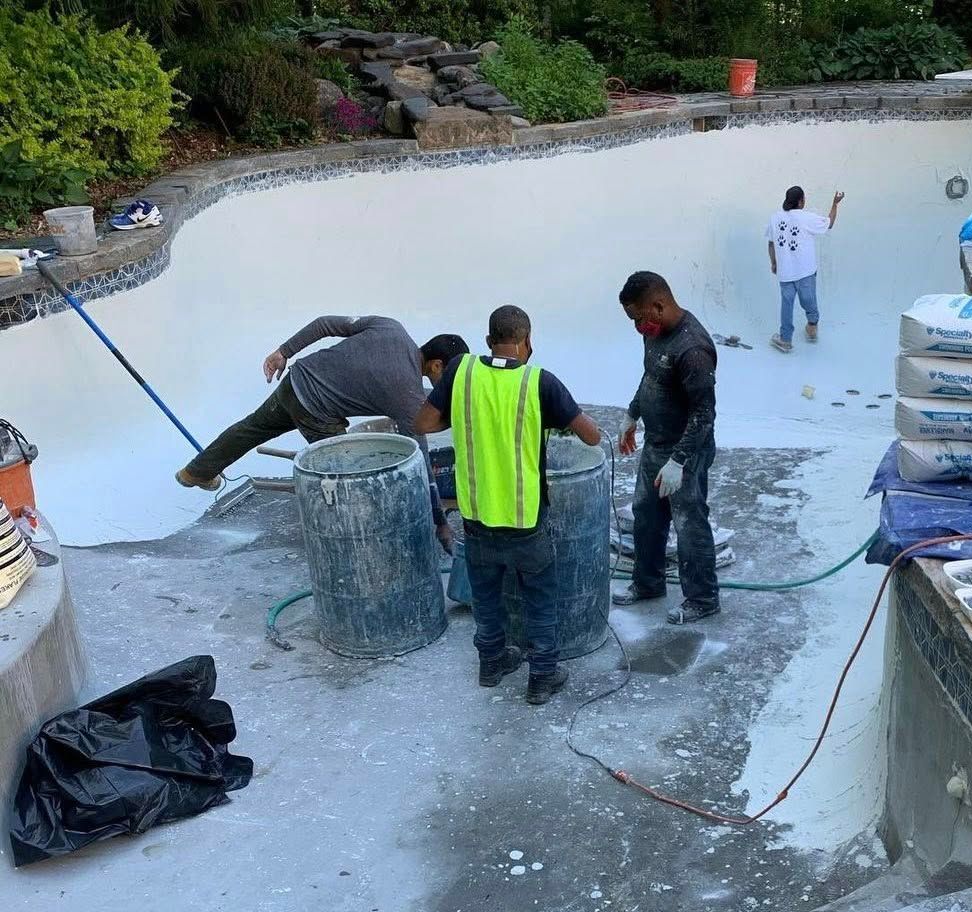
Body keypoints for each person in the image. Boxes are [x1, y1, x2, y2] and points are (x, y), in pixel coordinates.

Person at [414, 305, 601, 705]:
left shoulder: (461, 372)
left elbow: (424, 423)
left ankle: (492, 663)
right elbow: (591, 436)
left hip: (477, 515)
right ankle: (542, 677)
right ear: (527, 342)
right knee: (539, 598)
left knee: (485, 595)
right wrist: (550, 418)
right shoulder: (540, 382)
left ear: (487, 341)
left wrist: (473, 417)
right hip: (525, 519)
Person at [176, 317, 468, 553]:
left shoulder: (390, 327)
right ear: (437, 365)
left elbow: (325, 324)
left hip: (296, 380)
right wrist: (439, 520)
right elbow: (420, 464)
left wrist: (283, 352)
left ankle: (196, 472)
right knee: (350, 480)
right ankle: (354, 545)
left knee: (252, 427)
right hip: (316, 412)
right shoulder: (408, 396)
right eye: (450, 377)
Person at [613, 271, 720, 626]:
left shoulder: (693, 349)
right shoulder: (654, 333)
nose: (637, 327)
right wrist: (633, 413)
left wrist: (679, 461)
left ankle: (702, 598)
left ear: (658, 306)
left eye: (639, 318)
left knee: (689, 523)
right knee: (646, 515)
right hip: (657, 444)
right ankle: (648, 583)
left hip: (686, 452)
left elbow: (704, 414)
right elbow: (651, 377)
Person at [766, 186, 844, 353]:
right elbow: (829, 224)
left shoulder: (775, 218)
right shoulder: (807, 218)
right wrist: (835, 204)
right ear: (801, 201)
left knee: (786, 306)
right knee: (808, 300)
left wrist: (773, 262)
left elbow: (771, 243)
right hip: (805, 271)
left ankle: (785, 339)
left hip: (785, 272)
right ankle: (812, 326)